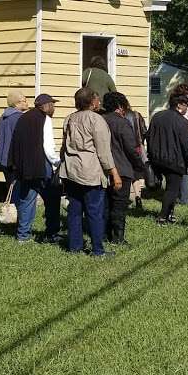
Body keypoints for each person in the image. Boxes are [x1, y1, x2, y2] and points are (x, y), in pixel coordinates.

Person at [60, 86, 121, 257]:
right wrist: (114, 173)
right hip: (90, 172)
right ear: (91, 102)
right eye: (97, 99)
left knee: (74, 211)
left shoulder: (69, 118)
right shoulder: (96, 120)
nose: (99, 102)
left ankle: (75, 247)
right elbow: (103, 152)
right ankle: (98, 250)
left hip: (71, 170)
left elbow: (64, 146)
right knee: (95, 212)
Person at [8, 93, 62, 244]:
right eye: (53, 105)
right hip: (41, 166)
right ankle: (51, 234)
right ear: (46, 106)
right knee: (52, 199)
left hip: (25, 167)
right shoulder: (45, 119)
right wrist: (57, 163)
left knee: (27, 200)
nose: (54, 108)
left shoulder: (24, 117)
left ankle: (23, 235)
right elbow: (48, 147)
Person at [100, 91, 144, 246]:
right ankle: (118, 238)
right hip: (122, 168)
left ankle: (104, 234)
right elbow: (131, 148)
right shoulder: (122, 123)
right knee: (119, 205)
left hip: (103, 169)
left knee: (105, 204)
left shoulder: (100, 120)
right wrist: (139, 165)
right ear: (120, 106)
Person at [146, 93, 188, 225]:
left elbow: (149, 137)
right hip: (174, 160)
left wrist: (151, 155)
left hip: (157, 159)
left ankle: (170, 214)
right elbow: (187, 146)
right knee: (172, 189)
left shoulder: (157, 117)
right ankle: (162, 217)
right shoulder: (183, 122)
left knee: (171, 189)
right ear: (179, 105)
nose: (187, 108)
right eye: (186, 105)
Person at [0, 88, 28, 185]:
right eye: (24, 101)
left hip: (3, 160)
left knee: (10, 186)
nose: (27, 103)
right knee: (17, 190)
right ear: (16, 103)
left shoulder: (3, 117)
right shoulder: (19, 118)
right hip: (14, 161)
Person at [123, 97, 149, 214]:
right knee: (137, 175)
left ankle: (124, 198)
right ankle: (138, 197)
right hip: (137, 147)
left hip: (123, 148)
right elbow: (144, 131)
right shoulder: (137, 115)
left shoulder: (120, 117)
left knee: (125, 173)